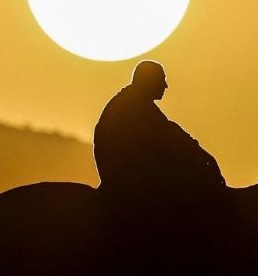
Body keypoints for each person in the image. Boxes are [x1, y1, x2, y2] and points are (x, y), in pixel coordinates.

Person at [93, 60, 225, 193]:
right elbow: (171, 137)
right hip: (130, 182)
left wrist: (202, 155)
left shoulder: (135, 102)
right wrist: (203, 159)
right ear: (149, 81)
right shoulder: (133, 107)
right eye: (162, 79)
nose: (165, 85)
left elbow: (172, 132)